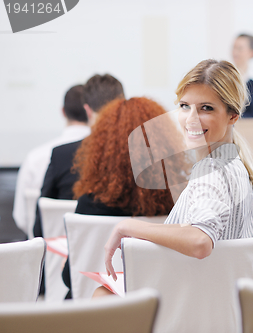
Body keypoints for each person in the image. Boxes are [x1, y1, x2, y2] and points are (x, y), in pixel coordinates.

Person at [96, 59, 253, 295]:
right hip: (223, 305)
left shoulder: (210, 171)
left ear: (233, 116)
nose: (191, 118)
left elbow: (200, 242)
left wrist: (128, 226)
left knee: (101, 294)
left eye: (206, 108)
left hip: (193, 305)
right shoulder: (237, 165)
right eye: (185, 106)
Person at [62, 97, 187, 299]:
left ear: (101, 149)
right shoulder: (177, 203)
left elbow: (71, 278)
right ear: (165, 146)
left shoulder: (90, 203)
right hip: (158, 309)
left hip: (96, 316)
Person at [33, 74, 124, 238]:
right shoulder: (142, 159)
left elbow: (40, 226)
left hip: (73, 258)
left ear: (87, 110)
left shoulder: (62, 156)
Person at [12, 85, 90, 237]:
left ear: (63, 111)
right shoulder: (108, 158)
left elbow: (22, 218)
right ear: (91, 111)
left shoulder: (35, 158)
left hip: (48, 254)